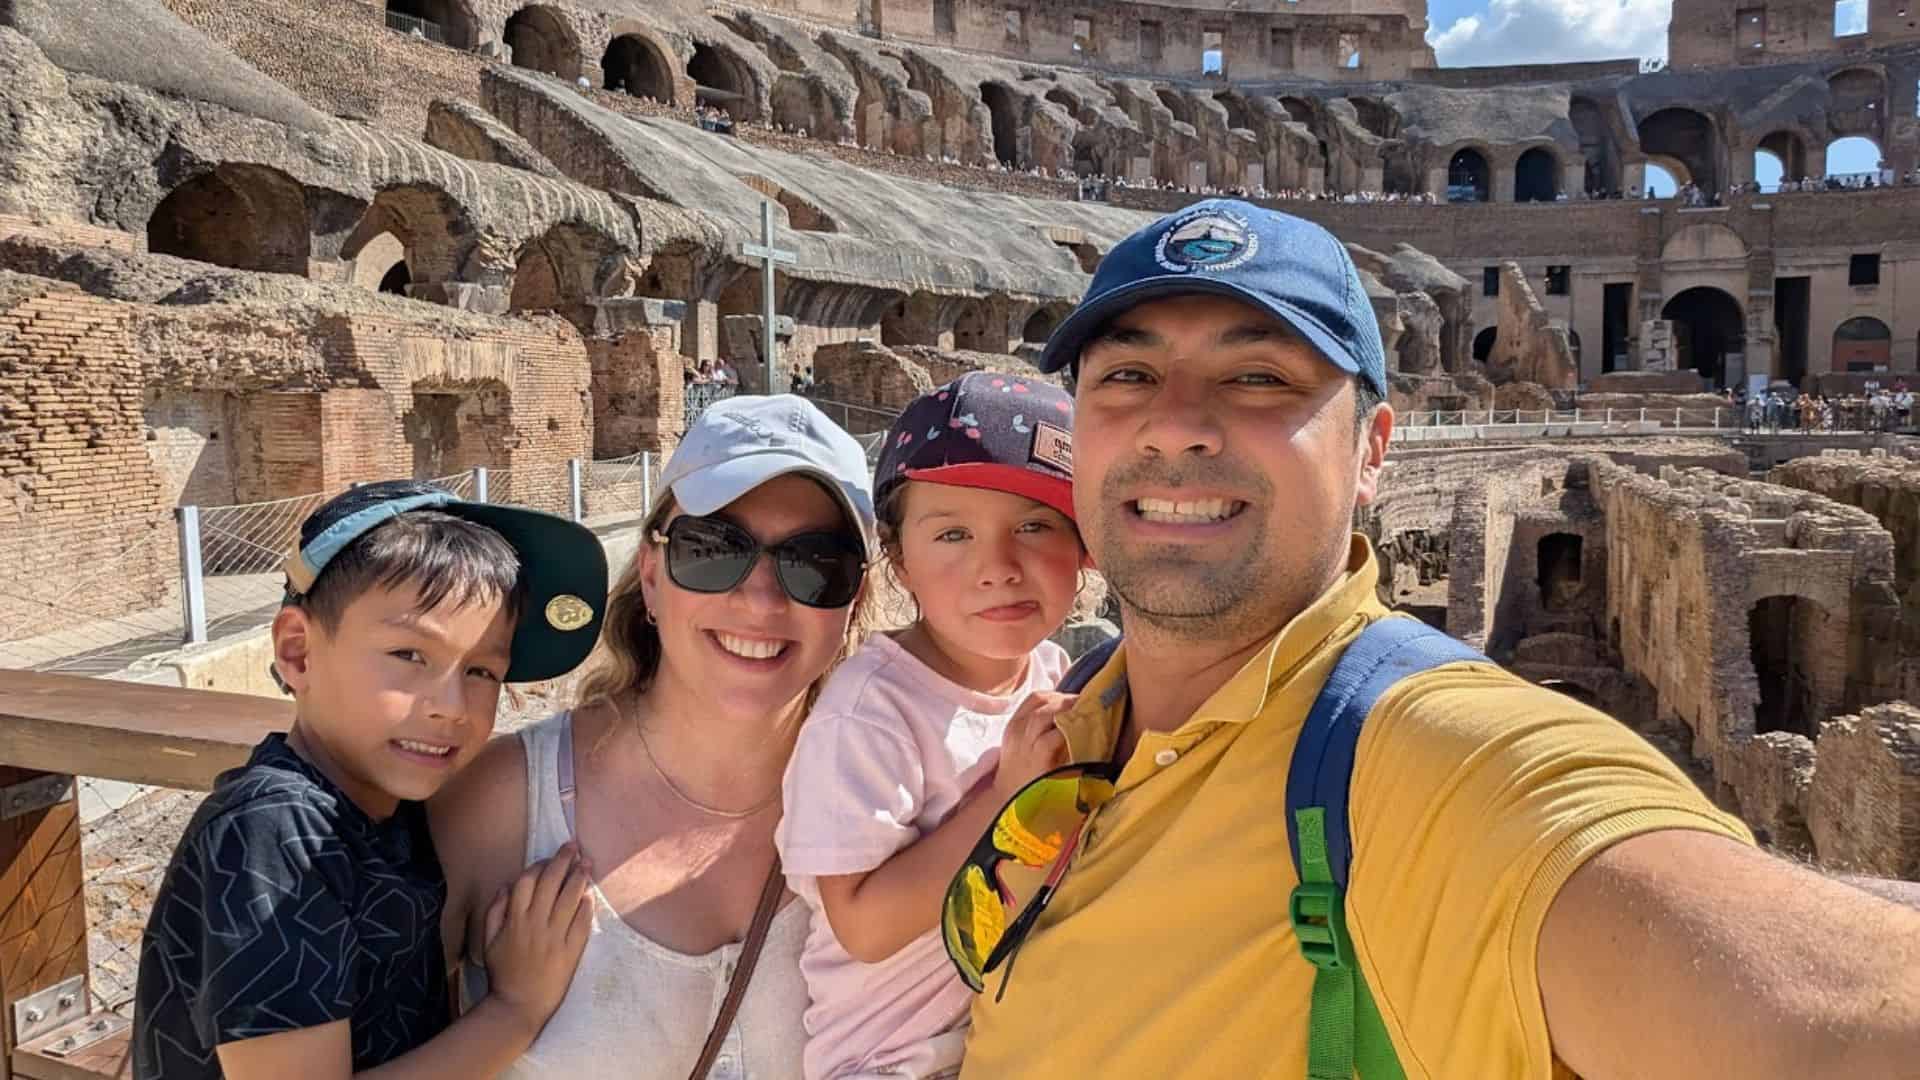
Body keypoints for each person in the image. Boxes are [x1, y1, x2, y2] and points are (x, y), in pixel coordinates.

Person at [952, 200, 1920, 1078]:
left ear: (1373, 448)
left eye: (1257, 377)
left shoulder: (1451, 764)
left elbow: (1831, 1023)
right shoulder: (1070, 705)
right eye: (1128, 374)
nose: (1177, 424)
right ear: (1077, 433)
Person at [432, 396, 878, 1079]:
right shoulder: (500, 806)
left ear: (852, 605)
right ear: (650, 573)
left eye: (816, 563)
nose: (761, 601)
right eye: (712, 550)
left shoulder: (891, 814)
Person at [134, 480, 611, 1079]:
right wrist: (516, 1008)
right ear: (298, 652)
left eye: (484, 671)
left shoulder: (387, 809)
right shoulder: (276, 830)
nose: (452, 706)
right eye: (410, 656)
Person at [774, 374, 1084, 1080]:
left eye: (1035, 526)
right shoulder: (872, 711)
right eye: (953, 534)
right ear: (899, 558)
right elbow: (863, 926)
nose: (998, 569)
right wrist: (1010, 797)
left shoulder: (1054, 673)